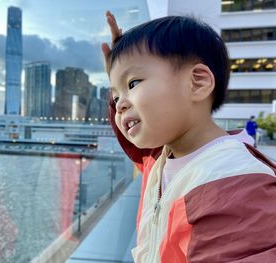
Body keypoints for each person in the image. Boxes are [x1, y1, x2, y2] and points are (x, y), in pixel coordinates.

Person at [102, 11, 276, 263]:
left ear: (197, 83)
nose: (119, 105)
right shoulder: (161, 157)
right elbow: (134, 138)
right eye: (116, 96)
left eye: (133, 83)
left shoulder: (238, 185)